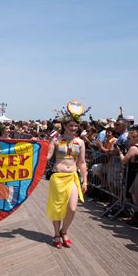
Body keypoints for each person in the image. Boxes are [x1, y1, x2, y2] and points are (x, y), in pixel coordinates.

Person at [46, 101, 88, 248]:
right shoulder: (56, 140)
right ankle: (57, 234)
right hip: (57, 177)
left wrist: (85, 181)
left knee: (72, 208)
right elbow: (47, 156)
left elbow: (82, 162)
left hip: (72, 177)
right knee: (57, 208)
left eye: (75, 126)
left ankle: (64, 231)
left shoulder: (80, 142)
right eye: (70, 125)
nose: (73, 128)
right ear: (64, 126)